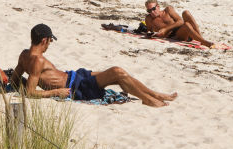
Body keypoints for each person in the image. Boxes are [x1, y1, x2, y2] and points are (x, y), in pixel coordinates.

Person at [14, 24, 176, 107]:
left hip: (75, 76)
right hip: (76, 87)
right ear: (44, 40)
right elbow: (30, 92)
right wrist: (56, 91)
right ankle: (147, 99)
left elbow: (14, 80)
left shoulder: (24, 55)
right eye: (50, 41)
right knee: (117, 72)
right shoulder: (38, 60)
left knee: (119, 73)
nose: (49, 44)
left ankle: (155, 94)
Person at [144, 0, 219, 48]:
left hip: (180, 29)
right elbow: (149, 32)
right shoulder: (149, 19)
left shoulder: (168, 10)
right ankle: (205, 42)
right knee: (187, 25)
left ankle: (200, 38)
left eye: (153, 9)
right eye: (149, 11)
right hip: (175, 36)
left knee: (186, 13)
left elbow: (180, 21)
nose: (152, 12)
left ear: (158, 7)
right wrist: (153, 34)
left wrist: (165, 29)